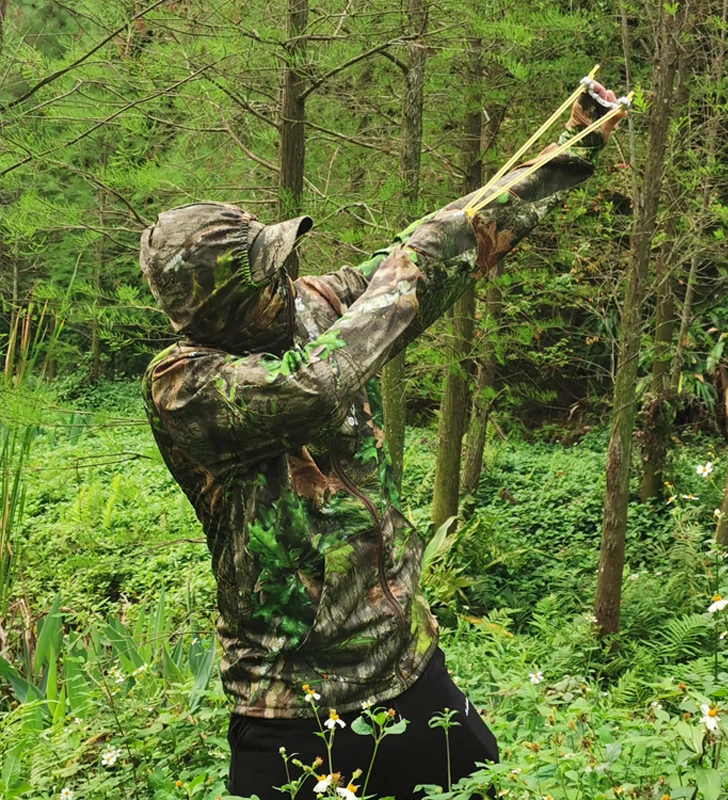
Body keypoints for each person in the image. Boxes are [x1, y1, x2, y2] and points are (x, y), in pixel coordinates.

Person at [139, 81, 624, 799]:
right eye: (268, 276)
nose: (290, 278)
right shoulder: (183, 385)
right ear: (224, 307)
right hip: (289, 706)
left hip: (404, 667)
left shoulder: (308, 307)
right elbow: (314, 386)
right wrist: (407, 271)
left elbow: (435, 253)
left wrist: (571, 147)